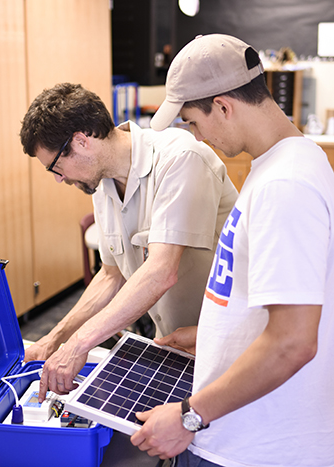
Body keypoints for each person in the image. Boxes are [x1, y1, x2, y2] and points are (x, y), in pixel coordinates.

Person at [129, 34, 334, 466]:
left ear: (223, 106)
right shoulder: (280, 167)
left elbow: (293, 342)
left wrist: (188, 417)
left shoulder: (286, 185)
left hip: (255, 450)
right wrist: (214, 338)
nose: (196, 137)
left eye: (192, 121)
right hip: (237, 435)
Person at [19, 83, 238, 398]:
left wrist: (80, 343)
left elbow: (162, 270)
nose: (59, 178)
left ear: (81, 142)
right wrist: (54, 339)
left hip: (227, 344)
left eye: (55, 167)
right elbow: (111, 275)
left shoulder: (180, 158)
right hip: (176, 350)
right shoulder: (102, 185)